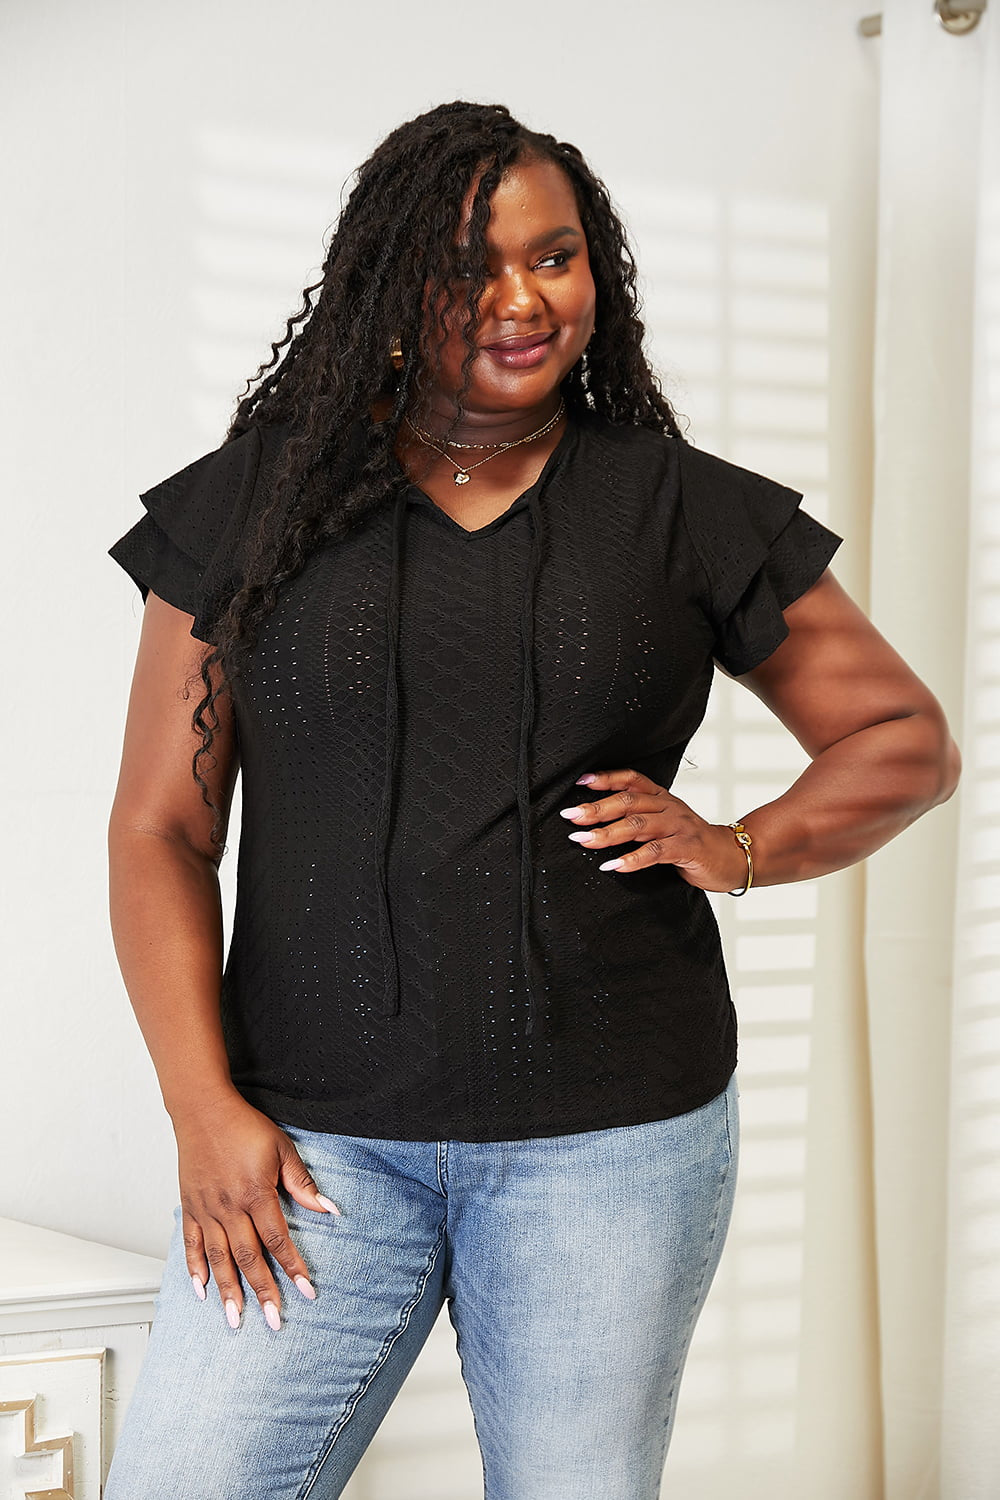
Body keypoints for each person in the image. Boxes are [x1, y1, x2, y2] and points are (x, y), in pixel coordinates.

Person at [103, 100, 961, 1500]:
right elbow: (162, 829)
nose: (520, 301)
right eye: (465, 267)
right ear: (389, 290)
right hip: (309, 1148)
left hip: (612, 1146)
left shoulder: (682, 508)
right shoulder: (253, 506)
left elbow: (902, 737)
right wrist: (203, 1113)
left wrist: (739, 845)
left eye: (554, 259)